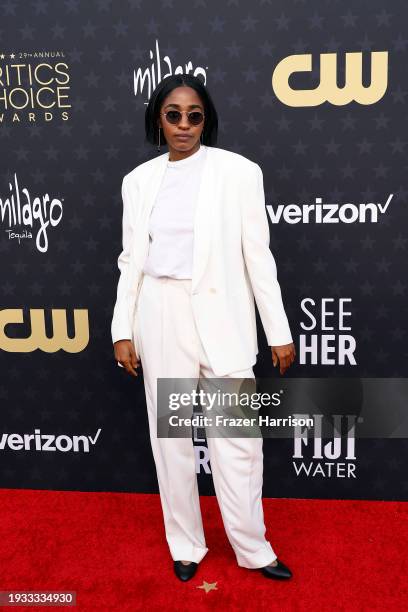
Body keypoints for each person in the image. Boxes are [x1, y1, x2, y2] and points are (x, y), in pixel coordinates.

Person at [112, 74, 296, 582]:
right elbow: (132, 260)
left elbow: (259, 257)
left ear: (207, 120)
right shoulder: (138, 181)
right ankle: (185, 543)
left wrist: (277, 329)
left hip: (224, 317)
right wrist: (120, 329)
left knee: (238, 439)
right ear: (158, 119)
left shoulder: (239, 173)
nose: (185, 125)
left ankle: (253, 548)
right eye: (174, 114)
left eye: (195, 115)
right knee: (170, 439)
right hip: (161, 314)